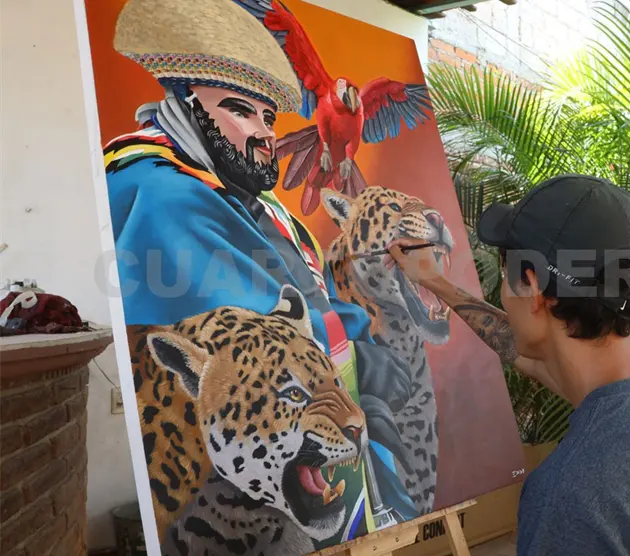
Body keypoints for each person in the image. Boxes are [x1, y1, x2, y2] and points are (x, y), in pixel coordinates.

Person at [103, 0, 418, 547]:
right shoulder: (160, 191)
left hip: (310, 443)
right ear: (185, 104)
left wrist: (361, 341)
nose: (265, 134)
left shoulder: (250, 199)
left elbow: (312, 293)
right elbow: (262, 335)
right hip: (244, 480)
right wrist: (362, 357)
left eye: (268, 118)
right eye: (241, 111)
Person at [389, 174, 630, 555]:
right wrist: (436, 283)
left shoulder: (570, 495)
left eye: (505, 274)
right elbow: (523, 349)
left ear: (533, 287)